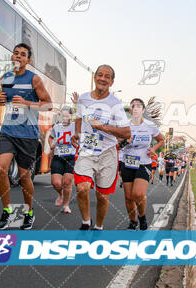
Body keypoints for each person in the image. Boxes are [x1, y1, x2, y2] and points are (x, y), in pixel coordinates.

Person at [0, 43, 53, 230]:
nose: (18, 57)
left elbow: (48, 105)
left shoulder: (34, 79)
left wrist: (27, 103)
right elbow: (3, 100)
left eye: (23, 55)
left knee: (24, 176)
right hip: (8, 131)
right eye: (16, 53)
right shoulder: (6, 78)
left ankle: (28, 212)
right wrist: (0, 100)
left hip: (27, 134)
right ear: (12, 57)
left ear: (28, 60)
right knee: (1, 169)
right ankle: (8, 211)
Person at [71, 65, 131, 230]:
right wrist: (77, 133)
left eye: (107, 77)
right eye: (100, 75)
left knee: (102, 196)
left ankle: (98, 226)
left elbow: (126, 132)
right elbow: (79, 117)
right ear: (95, 77)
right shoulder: (83, 99)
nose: (103, 79)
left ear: (111, 82)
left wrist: (103, 127)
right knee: (82, 188)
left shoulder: (115, 104)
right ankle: (85, 221)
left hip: (107, 152)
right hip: (87, 150)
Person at [119, 98, 164, 230]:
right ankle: (133, 221)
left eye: (139, 106)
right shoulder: (125, 125)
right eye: (133, 106)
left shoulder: (150, 126)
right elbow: (118, 144)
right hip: (127, 162)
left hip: (144, 162)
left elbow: (161, 140)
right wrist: (125, 142)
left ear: (143, 110)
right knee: (128, 197)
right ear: (131, 110)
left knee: (138, 194)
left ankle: (142, 216)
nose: (136, 108)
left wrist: (153, 149)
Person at [48, 107, 76, 214]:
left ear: (70, 116)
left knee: (67, 182)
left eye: (67, 115)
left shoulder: (74, 126)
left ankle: (66, 205)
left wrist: (77, 103)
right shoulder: (56, 127)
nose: (64, 118)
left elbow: (81, 119)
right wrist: (51, 145)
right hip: (58, 156)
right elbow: (51, 138)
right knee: (56, 183)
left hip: (71, 157)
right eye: (62, 115)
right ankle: (61, 194)